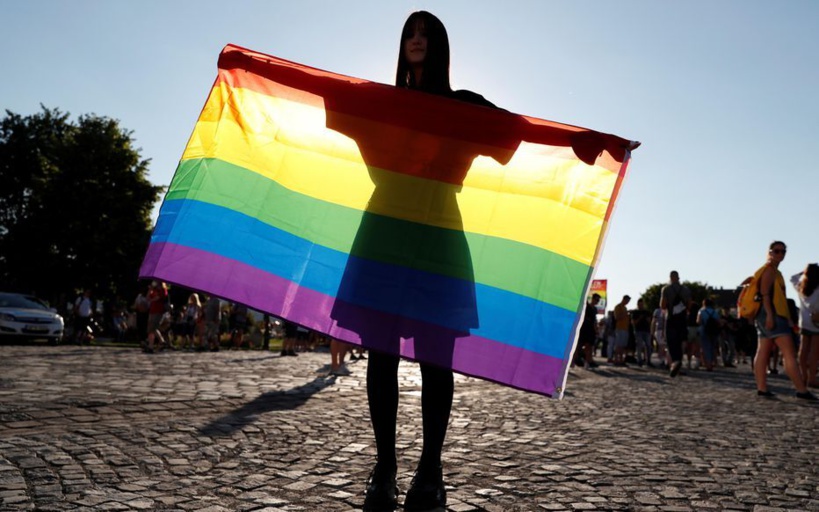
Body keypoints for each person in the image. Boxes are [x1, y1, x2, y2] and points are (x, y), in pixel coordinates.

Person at [752, 242, 815, 400]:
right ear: (770, 252)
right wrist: (770, 315)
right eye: (777, 251)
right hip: (772, 314)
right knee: (789, 353)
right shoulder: (770, 270)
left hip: (767, 314)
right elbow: (765, 294)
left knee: (763, 350)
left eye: (783, 251)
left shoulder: (772, 270)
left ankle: (762, 388)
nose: (780, 254)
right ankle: (801, 389)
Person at [791, 264, 819, 389]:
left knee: (803, 351)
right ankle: (812, 378)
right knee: (814, 352)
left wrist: (803, 272)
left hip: (803, 322)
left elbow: (792, 278)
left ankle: (803, 376)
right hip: (816, 323)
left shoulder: (801, 287)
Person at [660, 271, 691, 377]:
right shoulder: (686, 290)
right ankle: (679, 361)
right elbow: (689, 304)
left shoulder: (666, 289)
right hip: (682, 319)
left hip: (671, 318)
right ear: (678, 277)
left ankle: (675, 362)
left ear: (670, 277)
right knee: (681, 341)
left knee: (671, 341)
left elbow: (663, 305)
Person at [573, 294, 600, 369]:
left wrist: (596, 329)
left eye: (598, 300)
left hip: (590, 330)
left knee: (589, 346)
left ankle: (588, 361)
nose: (597, 301)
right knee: (578, 345)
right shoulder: (586, 307)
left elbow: (594, 321)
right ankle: (574, 360)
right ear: (592, 299)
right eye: (596, 299)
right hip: (583, 328)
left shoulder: (594, 309)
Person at [696, 299, 720, 371]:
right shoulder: (715, 312)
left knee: (706, 348)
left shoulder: (701, 311)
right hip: (714, 331)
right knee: (713, 347)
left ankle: (708, 364)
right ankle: (712, 362)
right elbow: (718, 322)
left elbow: (698, 321)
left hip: (704, 331)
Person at [145, 281, 168, 353]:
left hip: (159, 311)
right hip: (152, 311)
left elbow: (158, 298)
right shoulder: (154, 290)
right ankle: (162, 342)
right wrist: (150, 290)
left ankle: (151, 346)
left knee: (152, 328)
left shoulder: (163, 290)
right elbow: (147, 298)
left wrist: (151, 299)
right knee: (151, 329)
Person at [631, 298, 652, 367]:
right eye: (639, 304)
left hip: (646, 330)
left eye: (642, 304)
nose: (641, 306)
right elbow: (633, 322)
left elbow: (650, 321)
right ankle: (639, 361)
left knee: (648, 346)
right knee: (639, 346)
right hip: (638, 330)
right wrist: (639, 318)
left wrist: (646, 318)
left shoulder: (647, 312)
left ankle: (648, 361)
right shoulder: (635, 313)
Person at [612, 295, 631, 366]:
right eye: (627, 301)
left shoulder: (625, 308)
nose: (627, 302)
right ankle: (616, 359)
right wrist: (625, 313)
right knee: (618, 345)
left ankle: (621, 360)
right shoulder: (618, 307)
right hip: (619, 328)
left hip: (625, 329)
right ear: (624, 299)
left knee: (623, 345)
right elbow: (617, 317)